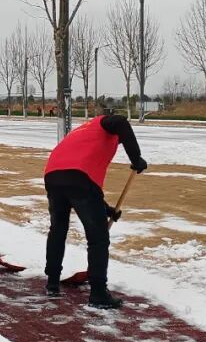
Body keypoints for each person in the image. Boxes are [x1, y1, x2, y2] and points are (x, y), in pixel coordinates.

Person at [43, 114, 148, 309]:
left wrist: (106, 210)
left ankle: (52, 283)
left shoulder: (84, 131)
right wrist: (136, 158)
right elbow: (121, 122)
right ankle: (98, 293)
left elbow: (83, 189)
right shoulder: (105, 122)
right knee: (98, 238)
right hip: (79, 177)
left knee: (58, 230)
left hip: (53, 175)